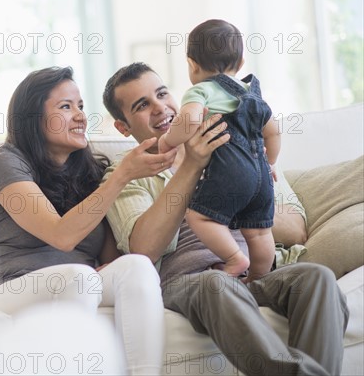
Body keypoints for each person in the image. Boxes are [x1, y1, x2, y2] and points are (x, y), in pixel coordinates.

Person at [102, 62, 349, 375]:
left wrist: (241, 186)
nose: (160, 108)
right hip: (192, 282)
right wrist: (192, 165)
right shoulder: (125, 174)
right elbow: (144, 249)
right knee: (216, 283)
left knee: (316, 278)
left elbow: (296, 229)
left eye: (162, 94)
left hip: (256, 275)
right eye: (142, 105)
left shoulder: (235, 137)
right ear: (123, 127)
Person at [0, 66, 167, 375]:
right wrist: (121, 176)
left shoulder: (92, 171)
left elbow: (110, 259)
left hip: (83, 281)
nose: (81, 116)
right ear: (33, 118)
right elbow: (61, 236)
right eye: (66, 107)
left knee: (136, 266)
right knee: (80, 278)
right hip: (13, 289)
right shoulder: (7, 162)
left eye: (81, 106)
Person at [158, 19, 279, 281]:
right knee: (259, 231)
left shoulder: (201, 90)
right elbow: (273, 131)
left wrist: (168, 140)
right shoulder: (254, 94)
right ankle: (258, 278)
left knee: (201, 218)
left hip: (232, 172)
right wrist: (269, 164)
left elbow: (189, 120)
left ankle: (235, 258)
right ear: (241, 63)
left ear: (192, 64)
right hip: (261, 174)